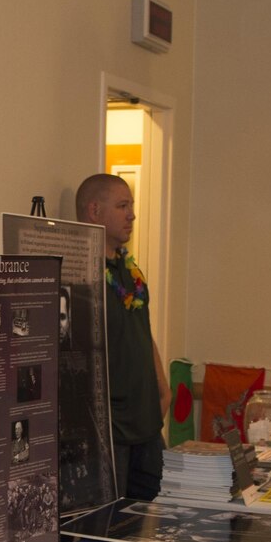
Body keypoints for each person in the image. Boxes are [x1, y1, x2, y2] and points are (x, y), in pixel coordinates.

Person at [77, 173, 167, 499]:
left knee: (148, 528)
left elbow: (142, 331)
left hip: (148, 428)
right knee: (110, 532)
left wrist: (163, 388)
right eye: (122, 205)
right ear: (94, 211)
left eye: (131, 206)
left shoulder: (130, 272)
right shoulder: (80, 275)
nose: (131, 215)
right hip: (111, 432)